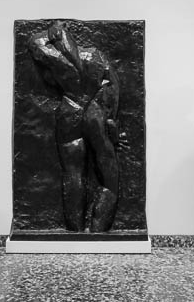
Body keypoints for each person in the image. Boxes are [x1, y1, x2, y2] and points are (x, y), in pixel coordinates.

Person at [27, 22, 125, 232]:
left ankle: (75, 230)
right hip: (95, 111)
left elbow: (34, 41)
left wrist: (51, 33)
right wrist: (111, 121)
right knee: (109, 178)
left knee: (72, 173)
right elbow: (112, 87)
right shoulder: (94, 56)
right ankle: (98, 230)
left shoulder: (53, 59)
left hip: (70, 109)